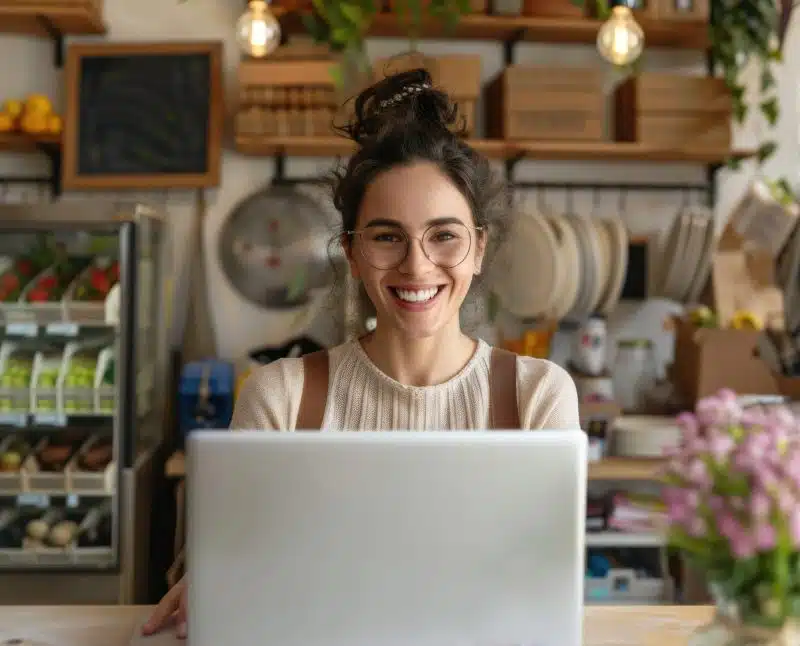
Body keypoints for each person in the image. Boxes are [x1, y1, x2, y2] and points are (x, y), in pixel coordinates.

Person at [142, 67, 580, 638]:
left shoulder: (537, 396)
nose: (417, 266)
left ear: (478, 248)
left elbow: (546, 585)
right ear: (351, 252)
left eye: (444, 235)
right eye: (387, 235)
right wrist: (204, 579)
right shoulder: (282, 396)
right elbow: (228, 566)